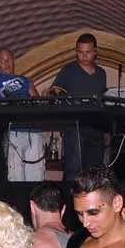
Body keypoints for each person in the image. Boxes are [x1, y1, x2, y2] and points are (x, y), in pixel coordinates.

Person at [48, 33, 107, 179]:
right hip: (74, 127)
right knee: (74, 170)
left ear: (95, 52)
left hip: (96, 128)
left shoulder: (101, 73)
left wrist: (106, 130)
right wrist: (52, 92)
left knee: (95, 172)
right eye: (80, 52)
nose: (84, 56)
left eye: (88, 52)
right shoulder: (68, 70)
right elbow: (55, 90)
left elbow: (102, 101)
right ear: (76, 52)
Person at [0, 48, 44, 181]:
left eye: (9, 59)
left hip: (33, 130)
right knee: (16, 174)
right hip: (12, 131)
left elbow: (37, 102)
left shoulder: (26, 80)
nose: (6, 63)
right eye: (2, 60)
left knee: (36, 174)